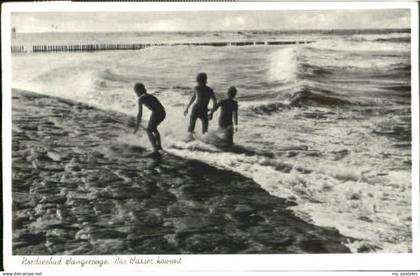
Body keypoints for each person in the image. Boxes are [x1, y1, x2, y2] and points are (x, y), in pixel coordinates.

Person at [133, 83, 166, 155]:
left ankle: (155, 149)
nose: (136, 94)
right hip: (162, 112)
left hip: (157, 113)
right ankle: (159, 146)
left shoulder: (141, 99)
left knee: (148, 130)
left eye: (135, 92)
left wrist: (137, 126)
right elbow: (160, 106)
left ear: (138, 91)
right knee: (154, 129)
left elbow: (140, 113)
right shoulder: (150, 95)